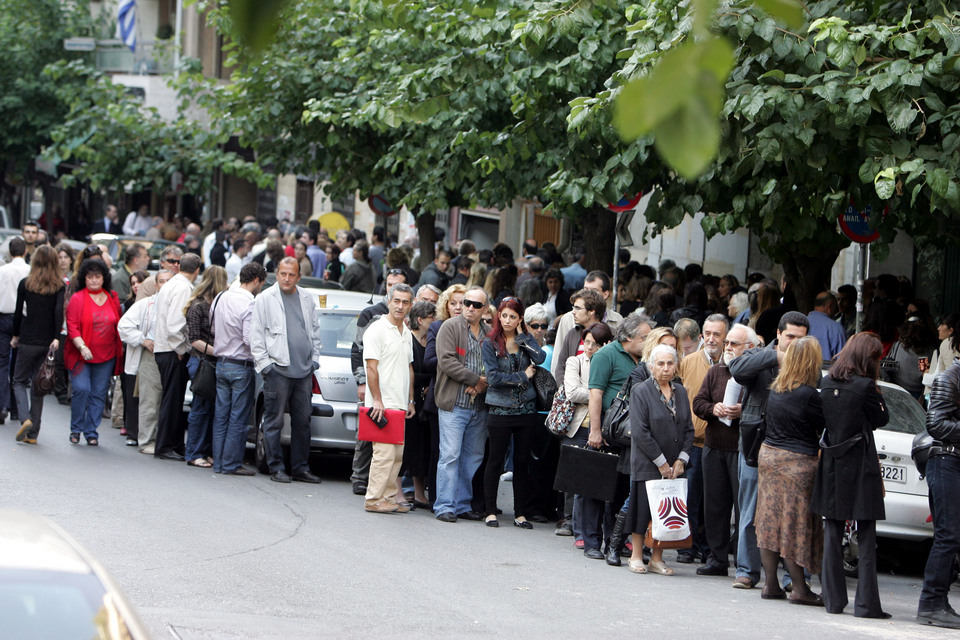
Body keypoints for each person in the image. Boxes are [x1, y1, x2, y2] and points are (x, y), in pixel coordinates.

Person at [729, 310, 809, 589]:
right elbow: (736, 370)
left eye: (800, 338)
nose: (794, 343)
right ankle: (747, 571)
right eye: (789, 337)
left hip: (793, 450)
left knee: (792, 516)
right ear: (778, 334)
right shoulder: (762, 356)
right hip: (755, 445)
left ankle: (793, 578)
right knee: (750, 511)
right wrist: (775, 356)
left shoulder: (808, 364)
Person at [812, 332, 891, 618]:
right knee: (866, 534)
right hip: (860, 463)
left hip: (833, 461)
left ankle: (833, 601)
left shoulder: (827, 381)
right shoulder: (866, 386)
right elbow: (882, 418)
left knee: (832, 531)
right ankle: (867, 605)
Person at [756, 336, 825, 605]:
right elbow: (825, 427)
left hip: (769, 458)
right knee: (794, 525)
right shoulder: (809, 395)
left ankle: (770, 584)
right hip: (798, 463)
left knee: (768, 522)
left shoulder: (776, 389)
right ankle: (799, 588)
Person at [581, 314, 653, 558]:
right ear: (628, 336)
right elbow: (595, 394)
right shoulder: (606, 355)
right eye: (645, 337)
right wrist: (595, 430)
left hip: (629, 435)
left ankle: (616, 541)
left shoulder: (645, 359)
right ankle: (592, 543)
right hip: (607, 431)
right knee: (596, 489)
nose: (648, 341)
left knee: (622, 490)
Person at [251, 258, 322, 483]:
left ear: (298, 277)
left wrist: (314, 362)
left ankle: (300, 467)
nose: (287, 278)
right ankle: (276, 467)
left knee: (303, 422)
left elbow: (315, 331)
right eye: (283, 274)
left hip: (303, 372)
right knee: (274, 421)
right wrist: (266, 367)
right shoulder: (265, 299)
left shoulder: (306, 298)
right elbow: (256, 335)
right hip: (277, 370)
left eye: (291, 275)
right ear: (277, 274)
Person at [626, 343, 694, 575]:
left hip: (674, 465)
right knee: (642, 510)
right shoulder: (641, 391)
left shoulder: (681, 391)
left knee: (665, 512)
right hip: (648, 462)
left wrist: (680, 461)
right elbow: (640, 431)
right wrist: (661, 463)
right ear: (651, 366)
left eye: (670, 363)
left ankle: (657, 558)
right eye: (661, 363)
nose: (666, 368)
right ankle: (636, 556)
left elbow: (689, 430)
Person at [692, 322, 755, 576]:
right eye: (727, 342)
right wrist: (713, 409)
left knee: (743, 509)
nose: (727, 347)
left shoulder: (756, 374)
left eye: (733, 344)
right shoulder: (716, 370)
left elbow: (765, 406)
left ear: (749, 348)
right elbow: (698, 403)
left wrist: (743, 410)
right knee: (715, 506)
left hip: (742, 449)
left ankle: (743, 563)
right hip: (714, 445)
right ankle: (717, 559)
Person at [480, 297, 546, 528]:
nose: (507, 320)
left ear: (520, 320)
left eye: (512, 316)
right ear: (498, 315)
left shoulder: (524, 340)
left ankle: (520, 513)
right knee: (495, 460)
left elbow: (540, 357)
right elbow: (493, 379)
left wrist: (522, 337)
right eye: (504, 315)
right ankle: (490, 511)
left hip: (526, 410)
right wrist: (522, 377)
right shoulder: (490, 343)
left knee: (521, 461)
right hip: (499, 409)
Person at [348, 269, 410, 495]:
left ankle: (388, 491)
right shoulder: (372, 315)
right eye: (389, 285)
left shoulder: (406, 321)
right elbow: (358, 351)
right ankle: (359, 478)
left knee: (391, 447)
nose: (392, 290)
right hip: (374, 387)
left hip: (396, 394)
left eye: (398, 285)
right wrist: (362, 382)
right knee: (366, 434)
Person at [433, 286, 490, 522]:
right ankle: (445, 505)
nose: (469, 308)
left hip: (480, 406)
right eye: (467, 303)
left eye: (476, 305)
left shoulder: (489, 332)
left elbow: (495, 364)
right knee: (450, 456)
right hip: (454, 403)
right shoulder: (450, 326)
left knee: (473, 456)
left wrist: (482, 385)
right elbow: (447, 362)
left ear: (485, 309)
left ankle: (462, 503)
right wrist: (476, 380)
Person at [678, 313, 728, 564]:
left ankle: (711, 550)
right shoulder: (688, 362)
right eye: (707, 334)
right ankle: (687, 546)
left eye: (717, 334)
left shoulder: (734, 364)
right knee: (690, 497)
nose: (711, 339)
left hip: (722, 443)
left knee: (715, 501)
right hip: (694, 442)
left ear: (726, 337)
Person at [362, 283, 416, 513]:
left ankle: (389, 498)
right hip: (381, 405)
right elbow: (371, 368)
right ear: (389, 301)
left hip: (399, 405)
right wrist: (377, 400)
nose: (400, 306)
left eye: (405, 302)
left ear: (411, 305)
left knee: (396, 456)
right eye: (397, 301)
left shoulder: (406, 332)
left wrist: (410, 400)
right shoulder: (376, 330)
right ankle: (374, 500)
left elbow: (409, 369)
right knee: (383, 455)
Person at [211, 262, 266, 476]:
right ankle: (231, 463)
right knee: (238, 417)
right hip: (241, 364)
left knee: (221, 415)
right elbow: (247, 338)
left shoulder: (221, 297)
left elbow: (213, 327)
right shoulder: (250, 302)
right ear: (256, 281)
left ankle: (219, 462)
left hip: (221, 362)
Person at [559, 323, 613, 538]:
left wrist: (595, 393)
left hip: (605, 426)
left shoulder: (610, 361)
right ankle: (573, 524)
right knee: (575, 480)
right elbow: (572, 392)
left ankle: (594, 528)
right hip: (579, 425)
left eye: (596, 343)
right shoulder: (576, 361)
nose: (590, 347)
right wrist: (599, 393)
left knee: (599, 480)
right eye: (587, 342)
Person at [917, 359, 960, 628]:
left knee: (952, 536)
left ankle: (938, 601)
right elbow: (936, 424)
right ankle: (931, 603)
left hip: (952, 462)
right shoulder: (950, 377)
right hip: (946, 461)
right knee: (948, 535)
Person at [64, 258, 123, 445]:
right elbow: (72, 326)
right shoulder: (77, 298)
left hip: (106, 356)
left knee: (98, 394)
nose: (94, 280)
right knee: (81, 389)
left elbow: (119, 324)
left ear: (104, 278)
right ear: (84, 278)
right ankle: (76, 429)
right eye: (90, 277)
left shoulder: (112, 297)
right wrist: (82, 346)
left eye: (97, 276)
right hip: (81, 355)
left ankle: (91, 432)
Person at [11, 246, 65, 444]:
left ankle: (25, 418)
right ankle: (33, 435)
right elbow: (58, 312)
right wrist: (56, 337)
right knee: (39, 385)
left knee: (18, 381)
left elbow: (18, 313)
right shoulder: (59, 285)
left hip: (28, 338)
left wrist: (16, 335)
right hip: (47, 341)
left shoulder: (25, 284)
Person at [152, 253, 201, 461]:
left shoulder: (173, 284)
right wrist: (181, 349)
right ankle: (164, 446)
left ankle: (175, 443)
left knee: (174, 399)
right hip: (172, 350)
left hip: (166, 347)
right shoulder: (182, 288)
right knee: (172, 401)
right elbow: (175, 324)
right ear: (197, 271)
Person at [118, 270, 172, 450]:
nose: (165, 284)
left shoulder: (179, 304)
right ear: (156, 285)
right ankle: (146, 441)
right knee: (150, 400)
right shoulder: (145, 304)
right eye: (161, 281)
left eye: (168, 281)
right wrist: (143, 340)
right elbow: (124, 326)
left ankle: (164, 441)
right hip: (152, 355)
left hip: (173, 355)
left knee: (168, 401)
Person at [183, 266, 228, 469]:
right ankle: (193, 452)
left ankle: (205, 450)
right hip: (201, 362)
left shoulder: (219, 305)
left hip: (213, 362)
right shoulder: (198, 306)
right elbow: (194, 340)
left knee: (212, 410)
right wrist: (218, 350)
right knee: (200, 409)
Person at [550, 270, 622, 380]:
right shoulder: (569, 323)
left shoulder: (616, 323)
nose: (587, 294)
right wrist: (562, 387)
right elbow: (559, 361)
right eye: (585, 289)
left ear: (606, 294)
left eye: (593, 291)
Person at [403, 300, 437, 508]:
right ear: (420, 320)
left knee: (423, 447)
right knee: (408, 445)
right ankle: (398, 490)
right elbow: (409, 370)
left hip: (428, 398)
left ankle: (418, 493)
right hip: (411, 397)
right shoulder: (408, 340)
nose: (434, 321)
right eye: (431, 318)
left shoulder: (431, 340)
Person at [0, 238, 30, 423]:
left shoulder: (2, 271)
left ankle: (3, 404)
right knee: (18, 366)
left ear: (10, 252)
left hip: (4, 317)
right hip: (24, 319)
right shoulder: (29, 271)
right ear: (25, 251)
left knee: (2, 363)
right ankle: (16, 409)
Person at [807, 291, 847, 360]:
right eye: (835, 307)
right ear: (830, 306)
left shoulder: (800, 323)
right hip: (826, 370)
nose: (836, 311)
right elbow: (842, 362)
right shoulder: (836, 329)